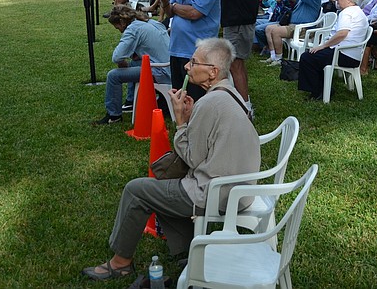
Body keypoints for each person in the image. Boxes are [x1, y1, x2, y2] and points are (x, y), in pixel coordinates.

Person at [82, 38, 260, 282]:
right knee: (164, 185)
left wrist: (180, 121)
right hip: (240, 189)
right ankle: (188, 251)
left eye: (193, 62)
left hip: (217, 193)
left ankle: (120, 263)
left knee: (137, 190)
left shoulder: (209, 103)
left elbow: (192, 158)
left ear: (212, 72)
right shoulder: (233, 94)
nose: (187, 67)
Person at [92, 5, 171, 125]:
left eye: (117, 26)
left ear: (122, 22)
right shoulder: (150, 23)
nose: (118, 30)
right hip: (170, 68)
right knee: (134, 62)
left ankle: (113, 115)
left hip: (160, 71)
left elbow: (117, 57)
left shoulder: (133, 29)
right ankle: (131, 101)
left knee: (113, 76)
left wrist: (122, 62)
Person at [298, 0, 369, 100]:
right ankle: (323, 87)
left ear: (349, 0)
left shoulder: (347, 13)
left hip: (344, 54)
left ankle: (319, 92)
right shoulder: (358, 11)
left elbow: (342, 34)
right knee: (315, 56)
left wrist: (323, 46)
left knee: (307, 57)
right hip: (352, 54)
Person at [263, 0, 321, 65]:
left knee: (276, 32)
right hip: (294, 26)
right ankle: (273, 56)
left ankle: (279, 59)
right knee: (269, 28)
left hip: (303, 29)